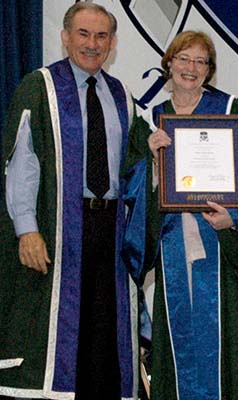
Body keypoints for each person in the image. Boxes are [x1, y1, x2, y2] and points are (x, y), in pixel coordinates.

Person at [122, 30, 238, 400]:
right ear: (169, 63)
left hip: (222, 249)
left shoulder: (230, 112)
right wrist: (153, 165)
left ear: (210, 71)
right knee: (181, 345)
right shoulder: (149, 119)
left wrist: (234, 221)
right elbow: (132, 187)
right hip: (172, 252)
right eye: (183, 59)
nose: (191, 68)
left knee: (230, 351)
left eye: (200, 61)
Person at [0, 3, 139, 399]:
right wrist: (27, 230)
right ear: (65, 36)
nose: (92, 44)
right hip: (58, 227)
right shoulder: (38, 86)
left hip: (109, 231)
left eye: (101, 36)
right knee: (57, 336)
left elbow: (136, 163)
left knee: (102, 335)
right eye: (83, 34)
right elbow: (21, 164)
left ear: (112, 43)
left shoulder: (120, 94)